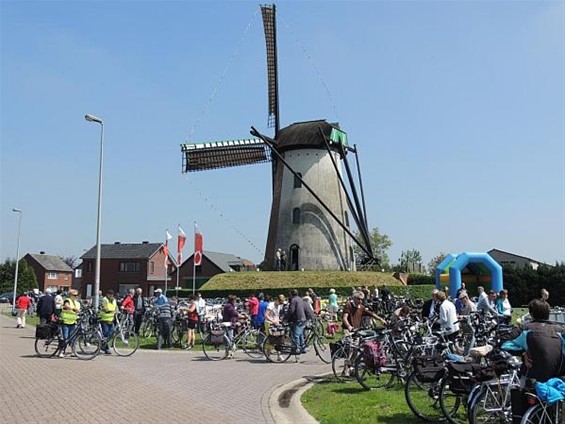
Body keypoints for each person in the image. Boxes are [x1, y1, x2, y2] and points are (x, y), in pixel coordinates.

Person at [502, 298, 565, 382]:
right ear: (548, 313)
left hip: (533, 378)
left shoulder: (525, 329)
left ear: (531, 314)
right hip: (558, 378)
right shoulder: (560, 330)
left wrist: (523, 352)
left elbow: (504, 344)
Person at [59, 289, 81, 357]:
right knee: (65, 337)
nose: (76, 297)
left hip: (73, 322)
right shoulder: (67, 300)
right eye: (74, 295)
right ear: (70, 295)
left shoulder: (77, 303)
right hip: (65, 322)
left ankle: (73, 351)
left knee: (73, 338)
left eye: (77, 295)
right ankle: (61, 351)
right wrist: (73, 308)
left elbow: (79, 310)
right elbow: (66, 306)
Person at [286, 289, 307, 354]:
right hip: (303, 317)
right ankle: (302, 347)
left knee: (296, 335)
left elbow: (291, 310)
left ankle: (297, 348)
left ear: (291, 294)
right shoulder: (300, 299)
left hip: (297, 318)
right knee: (300, 334)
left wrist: (287, 317)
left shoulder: (293, 300)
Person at [99, 289, 117, 355]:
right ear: (107, 294)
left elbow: (116, 308)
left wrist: (117, 311)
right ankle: (106, 348)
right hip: (104, 319)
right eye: (109, 294)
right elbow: (103, 307)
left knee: (111, 334)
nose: (111, 295)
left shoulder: (114, 300)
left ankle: (103, 345)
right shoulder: (104, 299)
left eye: (112, 294)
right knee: (105, 334)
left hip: (111, 319)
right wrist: (108, 310)